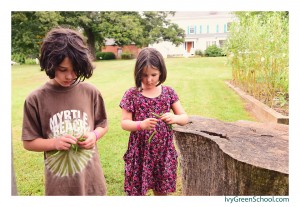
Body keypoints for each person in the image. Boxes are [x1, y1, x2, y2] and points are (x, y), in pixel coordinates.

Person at [21, 27, 108, 195]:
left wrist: (94, 136)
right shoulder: (35, 99)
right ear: (50, 63)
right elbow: (28, 142)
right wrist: (54, 143)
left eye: (75, 69)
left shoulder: (91, 92)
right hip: (60, 187)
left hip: (92, 182)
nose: (69, 76)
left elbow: (102, 125)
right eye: (63, 70)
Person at [119, 47, 189, 196]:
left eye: (154, 74)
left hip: (163, 153)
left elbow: (184, 117)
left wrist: (175, 118)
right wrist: (140, 125)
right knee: (137, 192)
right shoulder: (132, 94)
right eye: (144, 75)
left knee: (161, 191)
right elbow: (125, 123)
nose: (149, 79)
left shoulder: (168, 93)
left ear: (161, 73)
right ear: (138, 73)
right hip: (140, 153)